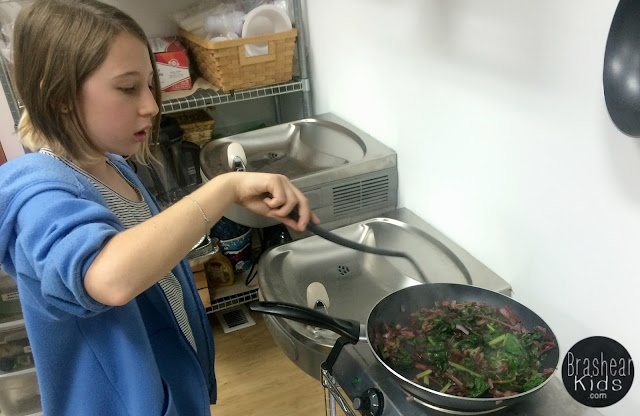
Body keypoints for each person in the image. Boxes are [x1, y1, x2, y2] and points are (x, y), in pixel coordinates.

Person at [0, 1, 316, 415]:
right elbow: (110, 278)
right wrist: (224, 188)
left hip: (173, 388)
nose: (151, 105)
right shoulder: (37, 193)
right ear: (59, 95)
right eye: (128, 88)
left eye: (150, 85)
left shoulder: (113, 166)